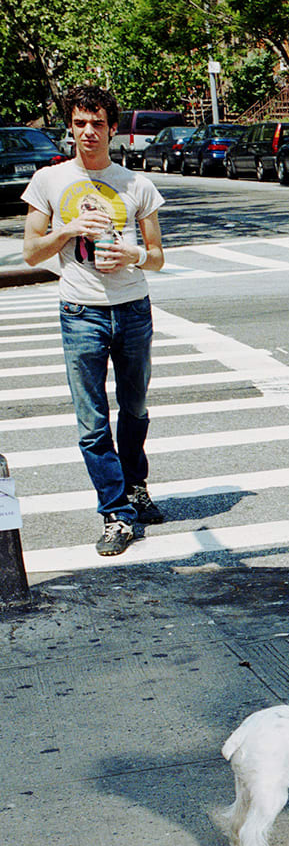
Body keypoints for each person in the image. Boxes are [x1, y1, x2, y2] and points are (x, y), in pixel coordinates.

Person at [21, 85, 168, 556]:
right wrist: (66, 229)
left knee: (135, 408)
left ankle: (135, 485)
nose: (89, 131)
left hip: (133, 308)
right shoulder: (49, 182)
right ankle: (116, 513)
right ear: (70, 126)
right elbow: (29, 253)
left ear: (112, 128)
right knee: (91, 422)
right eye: (80, 122)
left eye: (97, 123)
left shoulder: (137, 185)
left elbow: (159, 257)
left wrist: (135, 254)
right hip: (80, 311)